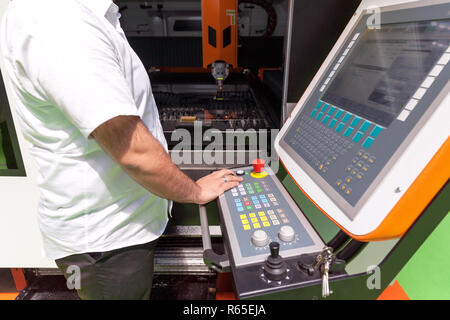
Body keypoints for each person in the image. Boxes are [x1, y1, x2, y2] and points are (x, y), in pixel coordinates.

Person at [0, 0, 242, 299]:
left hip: (117, 235)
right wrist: (194, 192)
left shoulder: (84, 16)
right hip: (105, 246)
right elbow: (134, 152)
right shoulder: (59, 20)